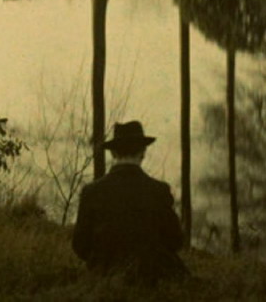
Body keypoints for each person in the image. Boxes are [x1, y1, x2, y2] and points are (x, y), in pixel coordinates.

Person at [71, 121, 188, 284]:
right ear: (143, 152)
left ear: (113, 153)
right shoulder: (159, 190)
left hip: (105, 275)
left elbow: (80, 245)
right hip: (152, 277)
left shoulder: (91, 191)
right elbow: (175, 240)